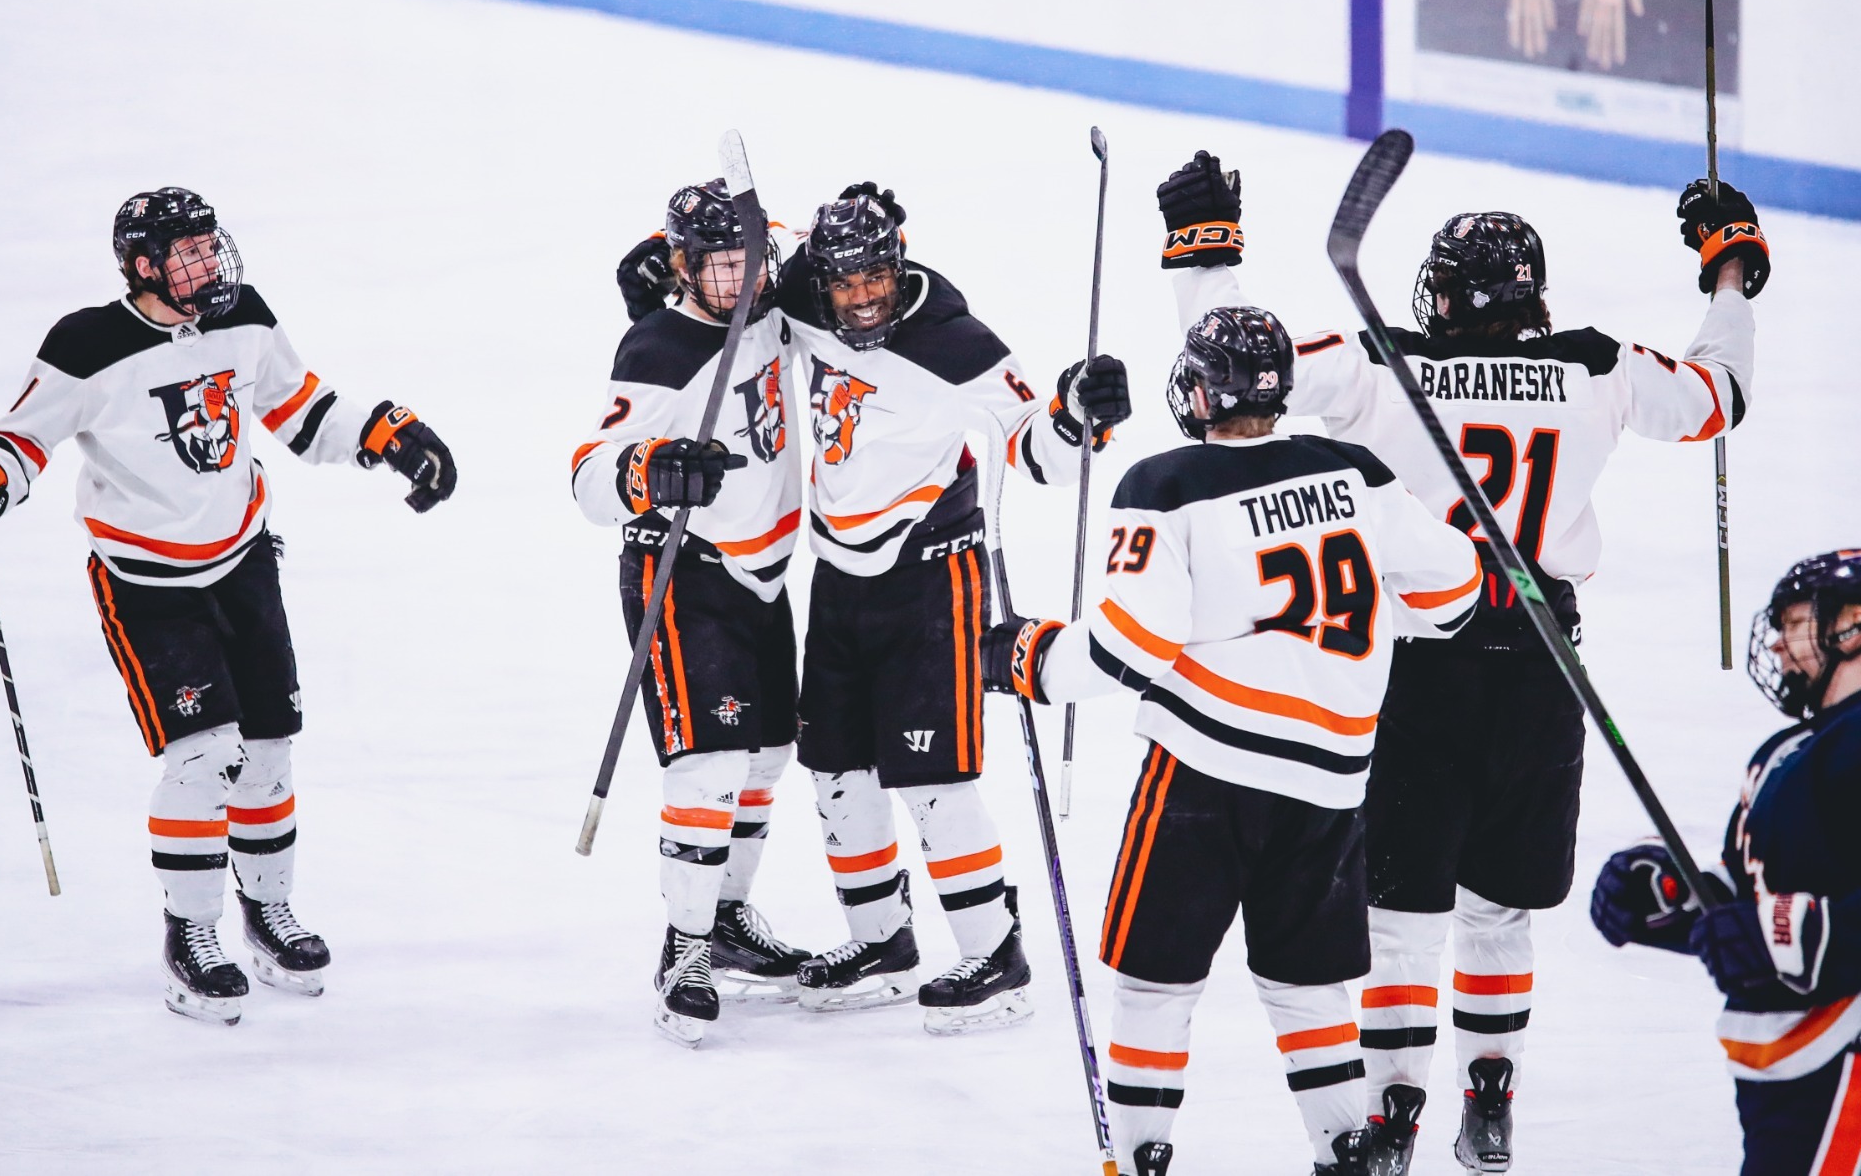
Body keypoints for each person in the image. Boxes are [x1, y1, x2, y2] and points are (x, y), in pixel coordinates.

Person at [1158, 150, 1765, 1171]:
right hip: (1541, 668)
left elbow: (1236, 362)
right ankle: (1491, 1101)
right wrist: (1729, 269)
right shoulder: (1597, 367)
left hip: (1418, 665)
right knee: (1498, 908)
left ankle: (1393, 1111)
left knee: (1400, 917)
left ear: (1446, 298)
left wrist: (1203, 252)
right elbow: (1721, 394)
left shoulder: (1384, 367)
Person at [0, 188, 456, 1026]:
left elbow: (299, 405)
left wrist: (384, 434)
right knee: (206, 756)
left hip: (245, 561)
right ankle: (192, 933)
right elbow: (24, 434)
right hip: (146, 584)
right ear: (143, 266)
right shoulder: (87, 344)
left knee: (270, 750)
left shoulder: (241, 315)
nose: (211, 263)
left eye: (212, 245)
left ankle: (268, 911)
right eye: (189, 253)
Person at [617, 181, 1130, 1033]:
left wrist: (1080, 415)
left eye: (876, 279)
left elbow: (1037, 449)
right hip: (838, 579)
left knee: (932, 774)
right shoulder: (801, 293)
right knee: (836, 766)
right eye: (847, 281)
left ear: (900, 264)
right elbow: (737, 258)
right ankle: (883, 940)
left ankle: (995, 953)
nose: (861, 298)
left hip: (931, 572)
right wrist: (656, 274)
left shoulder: (950, 338)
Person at [982, 305, 1480, 1176]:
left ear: (1205, 392)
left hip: (1206, 775)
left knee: (1155, 980)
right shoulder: (1354, 469)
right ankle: (1345, 1151)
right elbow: (1455, 588)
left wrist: (1032, 657)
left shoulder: (1167, 482)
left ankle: (1140, 1155)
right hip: (1332, 781)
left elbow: (1131, 647)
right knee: (1307, 984)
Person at [575, 179, 811, 1047]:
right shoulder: (658, 347)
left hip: (765, 574)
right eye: (718, 264)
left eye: (749, 260)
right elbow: (589, 476)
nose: (740, 277)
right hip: (683, 576)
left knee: (767, 756)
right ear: (683, 265)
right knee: (708, 765)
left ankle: (727, 916)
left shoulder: (773, 306)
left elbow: (801, 240)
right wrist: (651, 468)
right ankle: (685, 948)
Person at [1592, 551, 1861, 1176]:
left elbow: (1791, 931)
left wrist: (1798, 935)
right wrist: (1667, 894)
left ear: (1851, 626)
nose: (1778, 642)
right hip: (1781, 1070)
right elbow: (1750, 896)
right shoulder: (1788, 751)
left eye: (1793, 623)